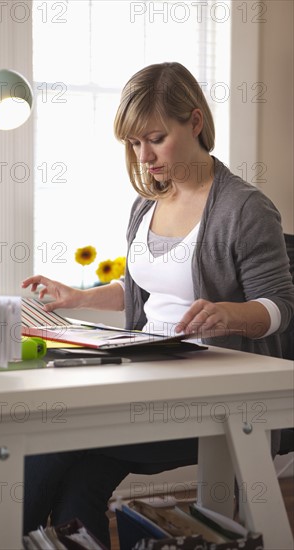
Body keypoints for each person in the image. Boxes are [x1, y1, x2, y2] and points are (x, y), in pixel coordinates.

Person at [21, 62, 294, 546]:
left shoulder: (244, 209)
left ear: (195, 122)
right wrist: (79, 297)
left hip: (209, 399)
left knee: (49, 445)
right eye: (132, 144)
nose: (143, 156)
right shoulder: (147, 204)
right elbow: (145, 292)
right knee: (77, 489)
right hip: (146, 380)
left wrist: (231, 314)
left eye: (154, 138)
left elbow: (280, 305)